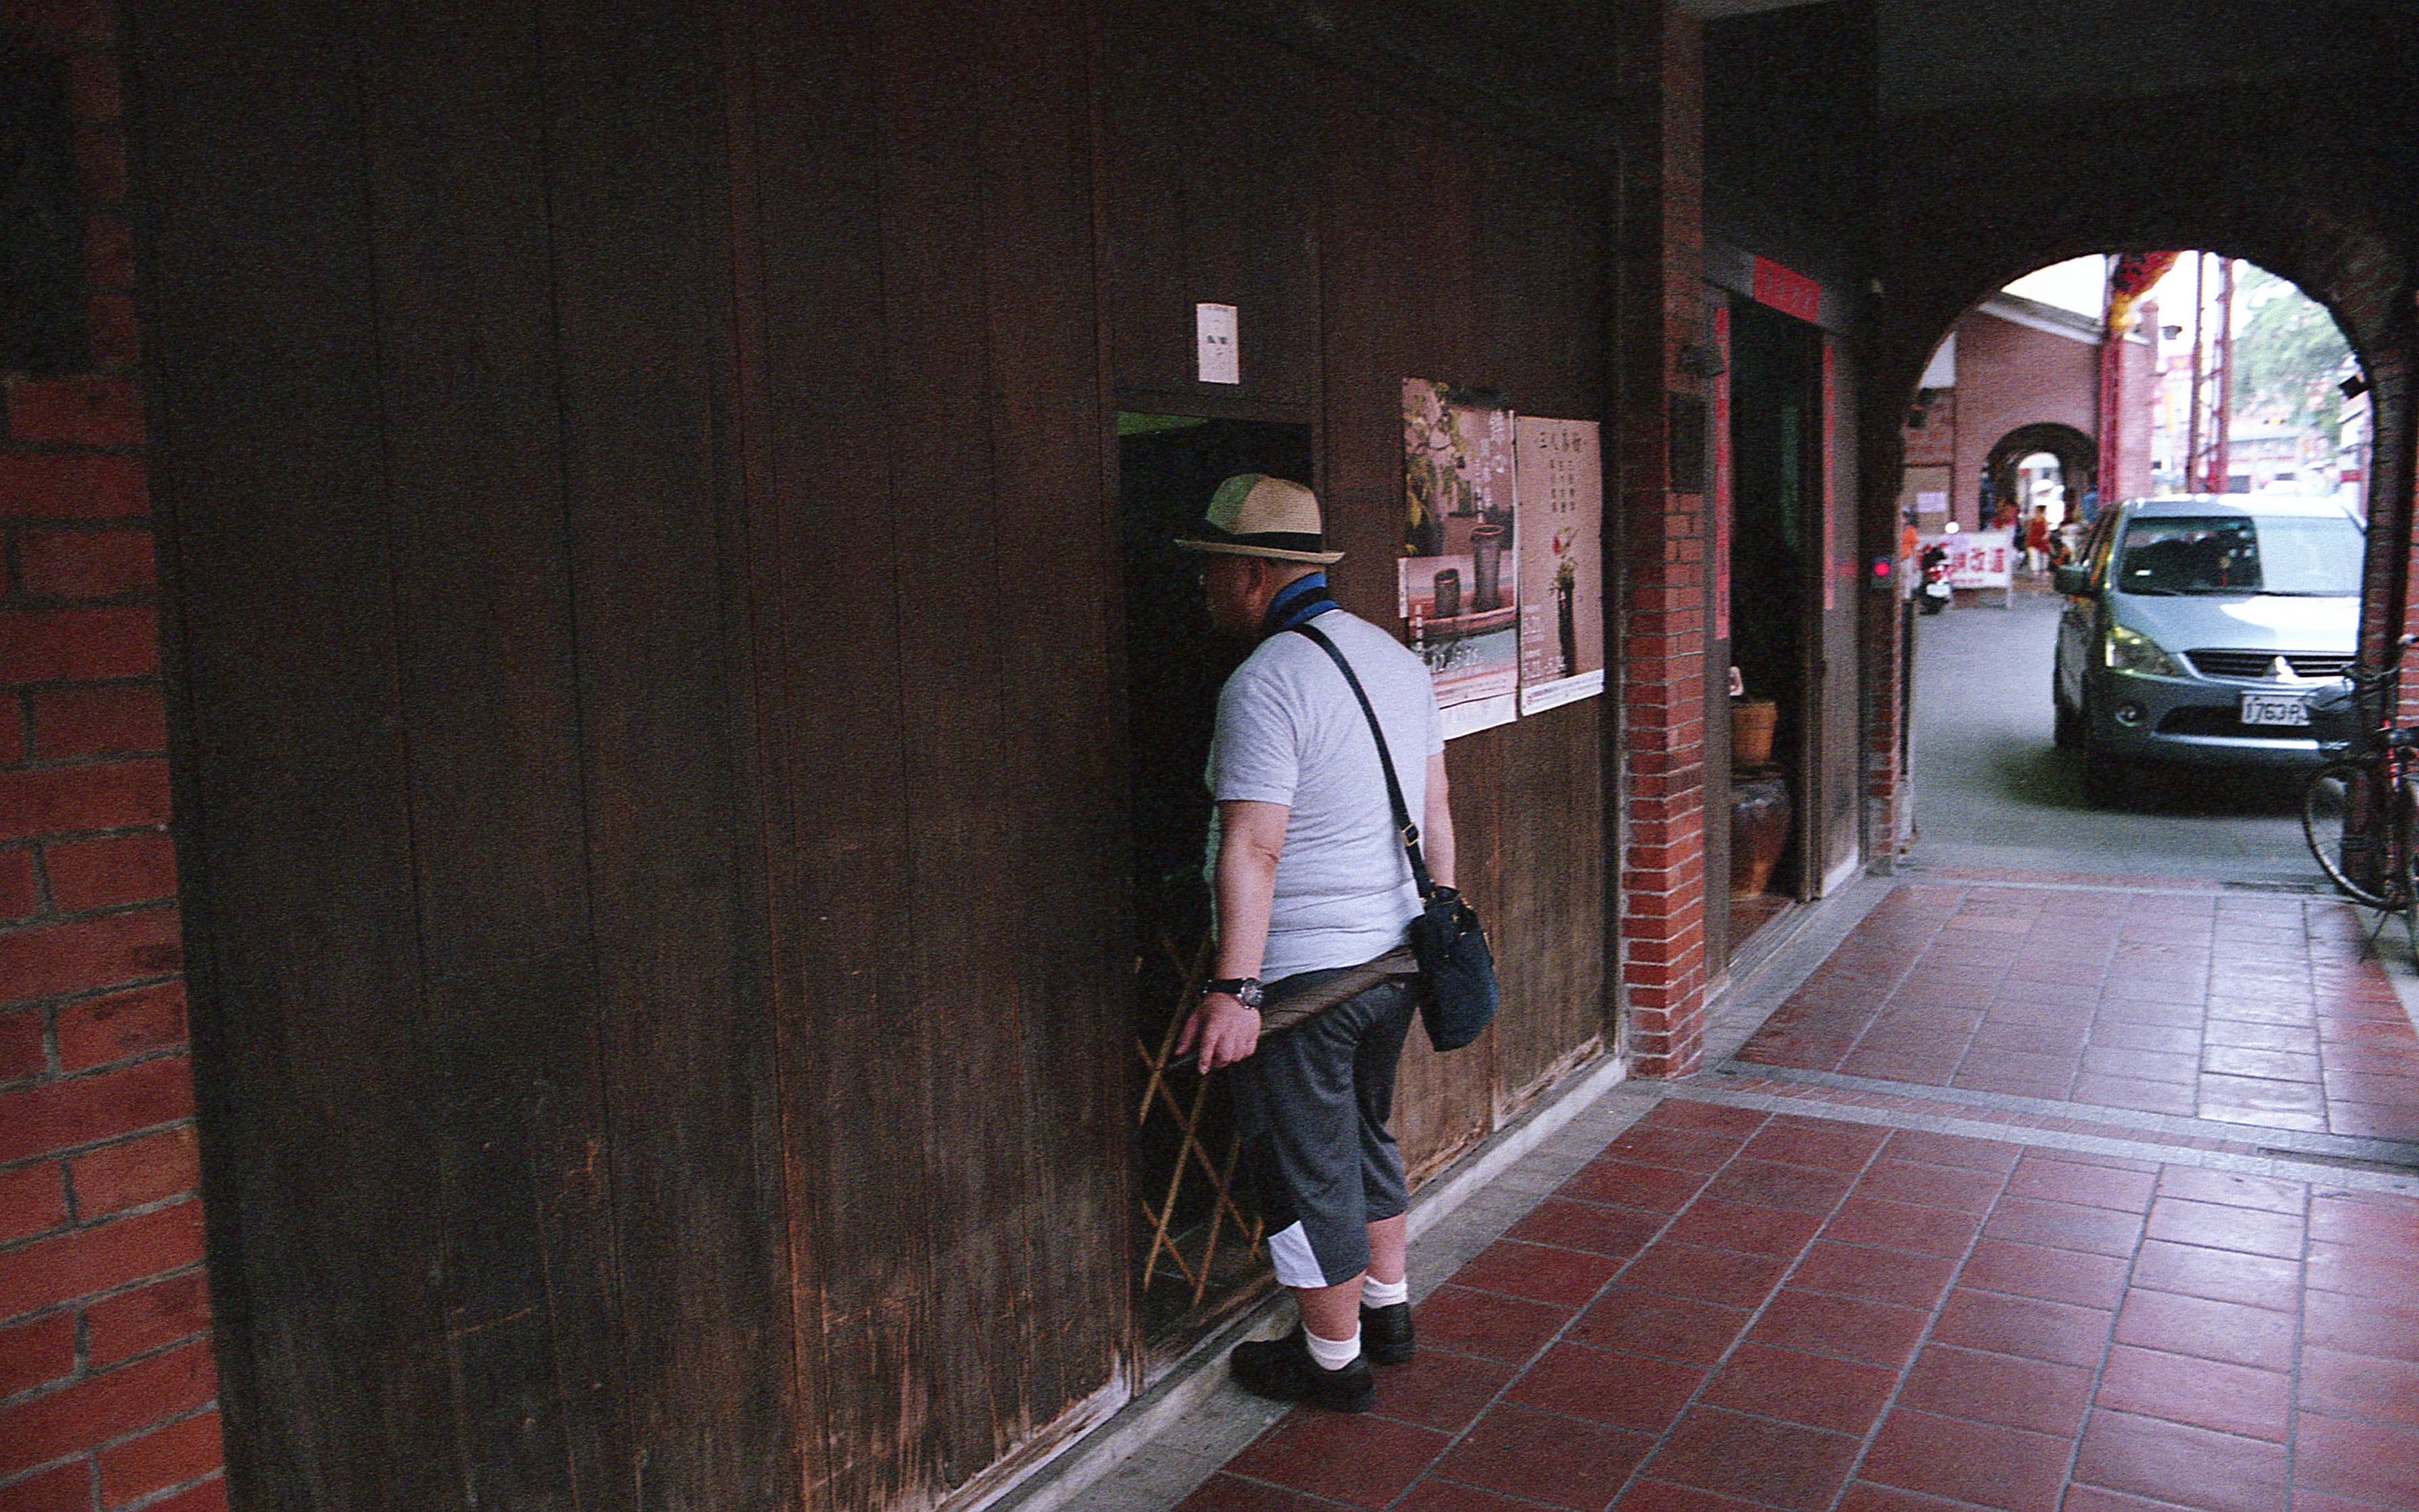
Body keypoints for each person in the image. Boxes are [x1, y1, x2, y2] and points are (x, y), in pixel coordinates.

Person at [1174, 473, 1455, 1414]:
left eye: (1213, 568)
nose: (1206, 586)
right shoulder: (1393, 659)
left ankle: (1333, 1363)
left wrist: (1236, 990)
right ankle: (1387, 1310)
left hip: (1306, 976)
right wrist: (1439, 920)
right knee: (1365, 1133)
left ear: (1253, 573)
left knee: (1305, 1167)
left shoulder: (1264, 683)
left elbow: (1254, 846)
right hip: (1395, 958)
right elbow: (1437, 812)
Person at [2025, 505, 2051, 573]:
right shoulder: (2032, 521)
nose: (2036, 512)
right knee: (2034, 556)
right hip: (2033, 540)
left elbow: (2047, 531)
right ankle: (2035, 570)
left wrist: (2045, 537)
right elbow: (2029, 530)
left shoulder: (2044, 521)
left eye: (2037, 510)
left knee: (2044, 557)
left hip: (2042, 540)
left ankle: (2043, 569)